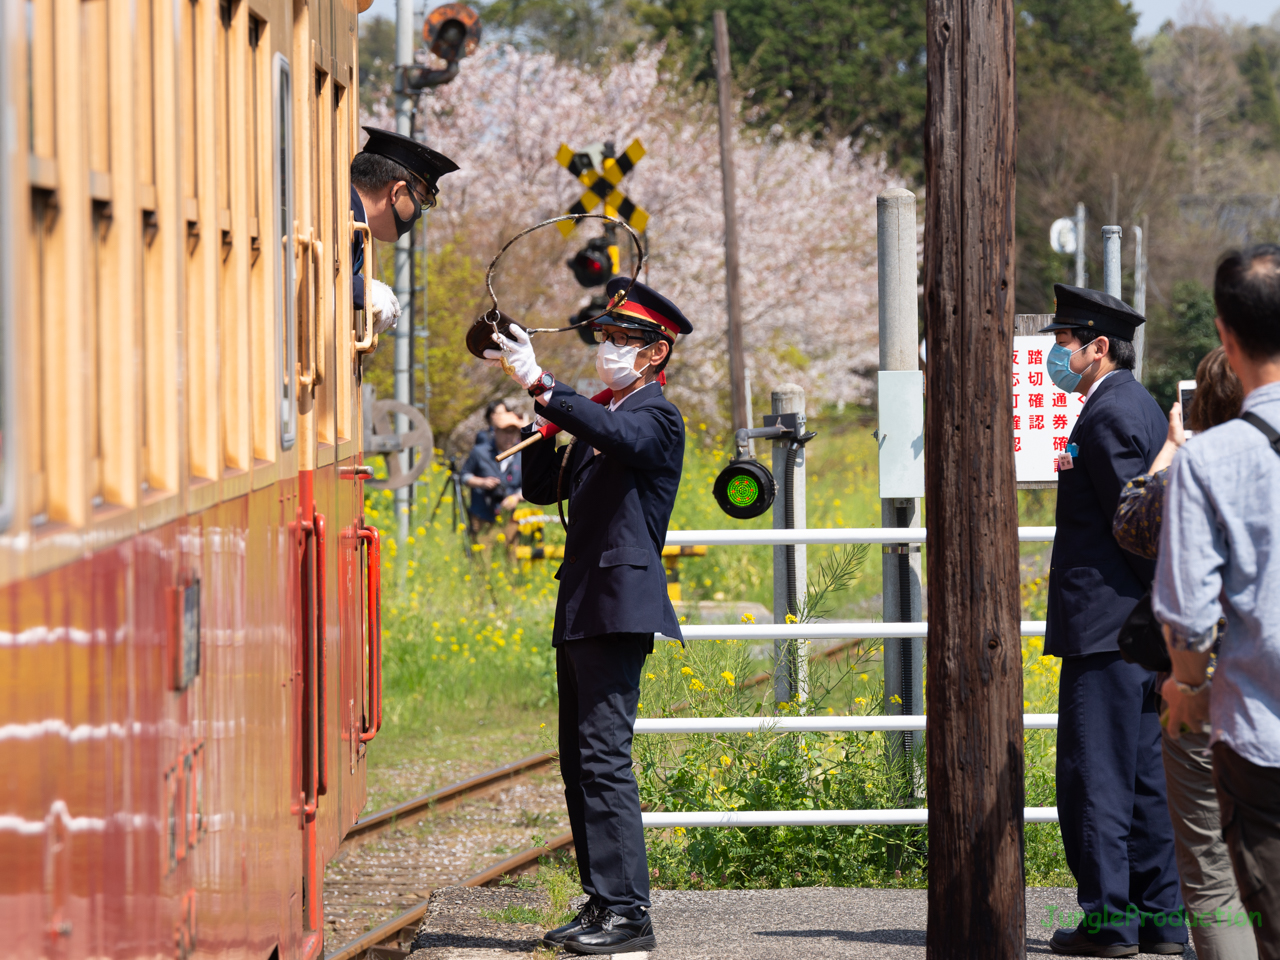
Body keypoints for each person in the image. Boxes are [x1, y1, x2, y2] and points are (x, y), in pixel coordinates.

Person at [484, 278, 692, 955]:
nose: (607, 348)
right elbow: (544, 488)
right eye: (603, 337)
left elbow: (614, 432)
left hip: (616, 605)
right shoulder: (603, 412)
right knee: (581, 760)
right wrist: (539, 418)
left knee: (605, 758)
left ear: (656, 354)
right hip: (581, 604)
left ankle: (630, 911)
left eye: (622, 339)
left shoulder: (654, 416)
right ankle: (604, 899)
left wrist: (547, 385)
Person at [1040, 285, 1187, 957]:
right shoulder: (1138, 406)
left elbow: (1140, 527)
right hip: (1135, 626)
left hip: (1109, 626)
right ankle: (1162, 918)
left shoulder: (1107, 416)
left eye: (1064, 341)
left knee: (1094, 778)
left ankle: (1110, 922)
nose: (1054, 354)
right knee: (1144, 781)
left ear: (1097, 346)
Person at [1153, 245, 1280, 960]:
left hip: (1260, 735)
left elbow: (1190, 608)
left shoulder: (1207, 461)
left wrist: (1187, 687)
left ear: (1226, 336)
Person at [1112, 347, 1253, 960]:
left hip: (1200, 687)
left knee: (1209, 864)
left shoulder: (1192, 473)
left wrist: (1174, 444)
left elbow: (1129, 518)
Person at [350, 126, 458, 332]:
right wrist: (358, 290)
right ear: (397, 192)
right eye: (421, 201)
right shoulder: (341, 217)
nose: (419, 213)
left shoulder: (355, 220)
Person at [460, 401, 526, 537]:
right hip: (482, 514)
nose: (509, 436)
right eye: (505, 431)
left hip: (509, 516)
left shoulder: (521, 456)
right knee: (481, 556)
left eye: (513, 432)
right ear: (495, 431)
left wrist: (516, 497)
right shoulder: (480, 452)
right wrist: (481, 482)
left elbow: (527, 487)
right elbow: (464, 475)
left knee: (510, 557)